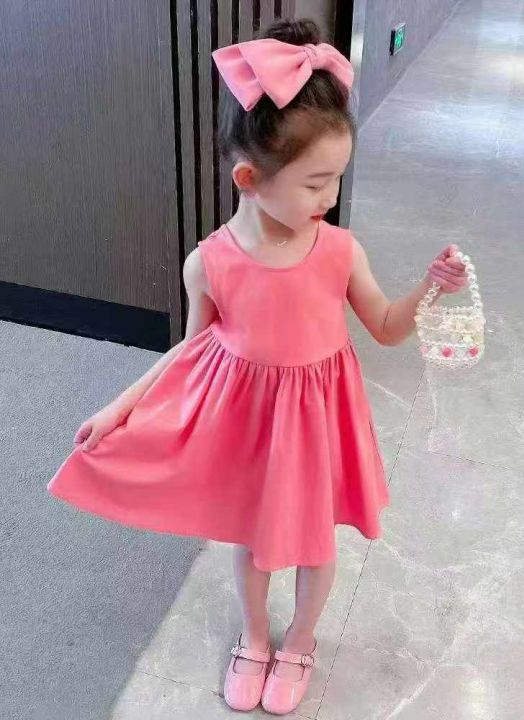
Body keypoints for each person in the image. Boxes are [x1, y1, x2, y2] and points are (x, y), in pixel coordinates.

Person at [47, 18, 467, 716]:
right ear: (249, 178)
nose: (329, 198)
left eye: (335, 179)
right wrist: (119, 408)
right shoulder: (209, 263)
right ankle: (254, 637)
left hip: (320, 422)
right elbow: (189, 349)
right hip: (252, 427)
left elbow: (388, 328)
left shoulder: (339, 251)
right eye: (316, 183)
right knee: (254, 541)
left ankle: (300, 640)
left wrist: (430, 286)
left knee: (314, 542)